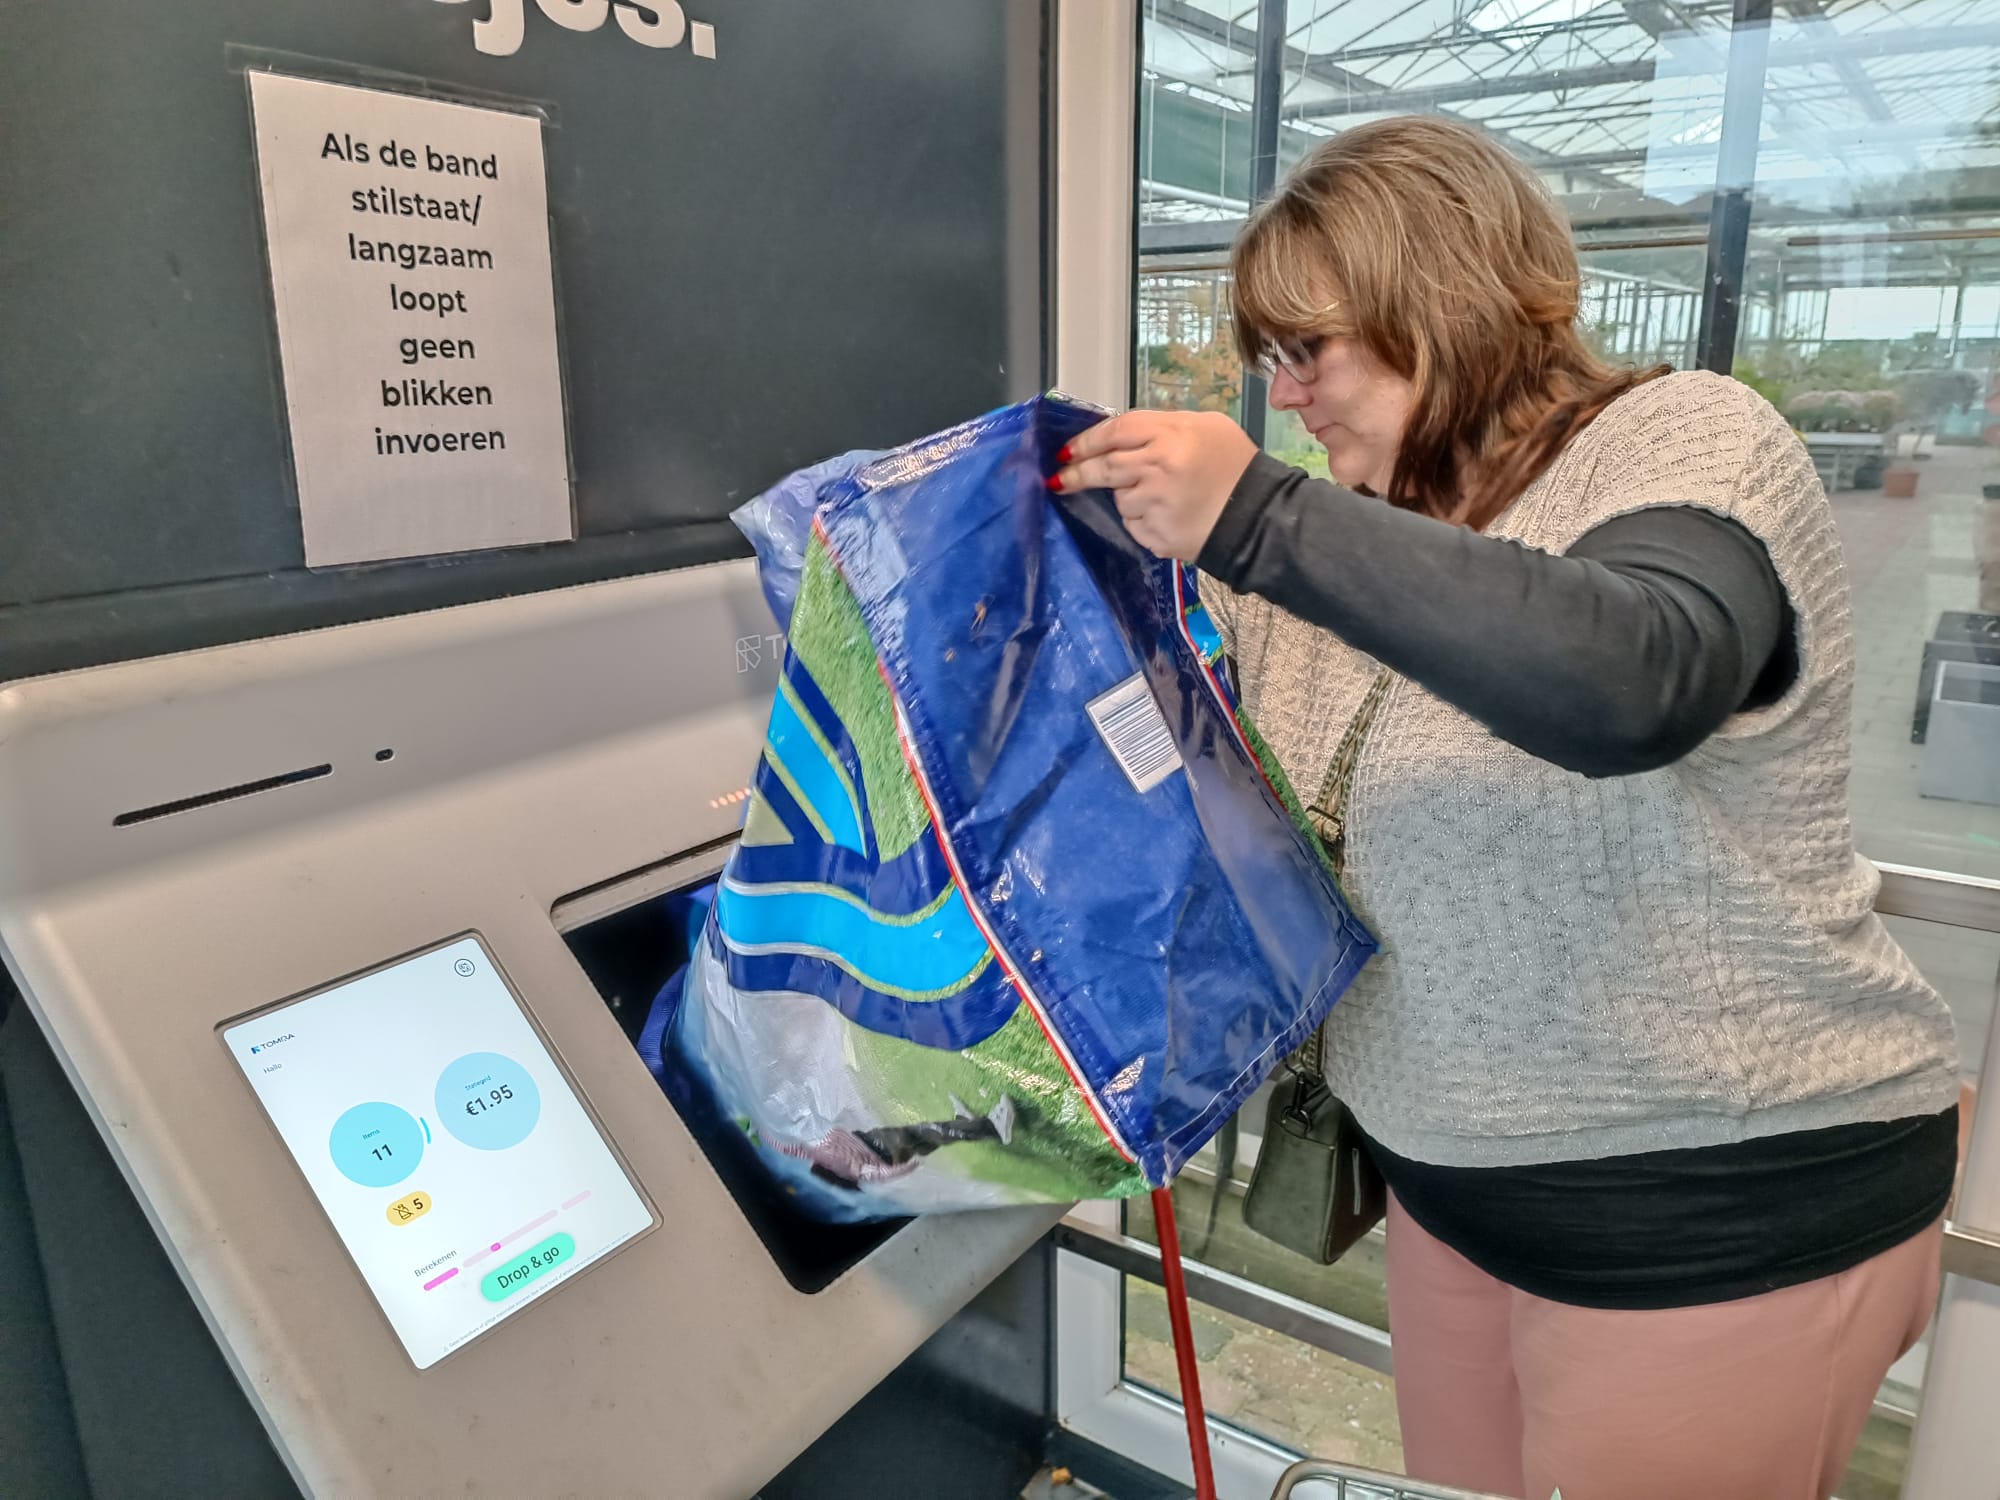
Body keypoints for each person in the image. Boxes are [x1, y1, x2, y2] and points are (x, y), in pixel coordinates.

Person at [1048, 116, 1962, 1500]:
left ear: (1444, 297)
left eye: (1314, 349)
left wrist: (1256, 518)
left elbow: (1633, 677)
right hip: (1454, 1197)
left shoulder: (1686, 440)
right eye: (1269, 360)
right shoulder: (1367, 536)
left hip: (1710, 1220)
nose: (1286, 396)